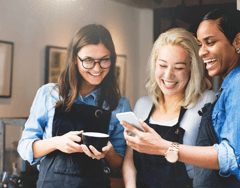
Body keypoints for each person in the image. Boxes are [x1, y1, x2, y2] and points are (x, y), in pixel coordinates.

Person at [121, 8, 240, 188]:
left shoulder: (213, 98)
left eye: (179, 67)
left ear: (192, 69)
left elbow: (228, 158)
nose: (169, 75)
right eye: (162, 65)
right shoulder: (142, 105)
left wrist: (163, 147)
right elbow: (130, 159)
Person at [17, 24, 132, 188]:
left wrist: (109, 152)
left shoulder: (120, 104)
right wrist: (57, 143)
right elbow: (24, 148)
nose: (97, 68)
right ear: (74, 59)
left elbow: (118, 164)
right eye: (88, 60)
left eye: (104, 60)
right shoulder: (48, 94)